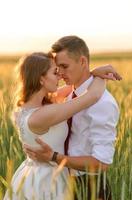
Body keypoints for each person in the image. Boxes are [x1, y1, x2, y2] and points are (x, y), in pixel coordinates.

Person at [4, 51, 111, 200]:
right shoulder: (43, 115)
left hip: (31, 175)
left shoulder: (28, 107)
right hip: (48, 181)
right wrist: (101, 74)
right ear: (41, 79)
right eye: (55, 72)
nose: (60, 76)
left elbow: (74, 88)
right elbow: (93, 95)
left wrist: (91, 72)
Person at [24, 36, 120, 200]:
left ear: (82, 61)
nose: (60, 73)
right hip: (61, 183)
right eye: (57, 68)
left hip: (90, 186)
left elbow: (102, 163)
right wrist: (94, 73)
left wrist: (55, 157)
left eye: (64, 66)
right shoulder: (71, 95)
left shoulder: (102, 103)